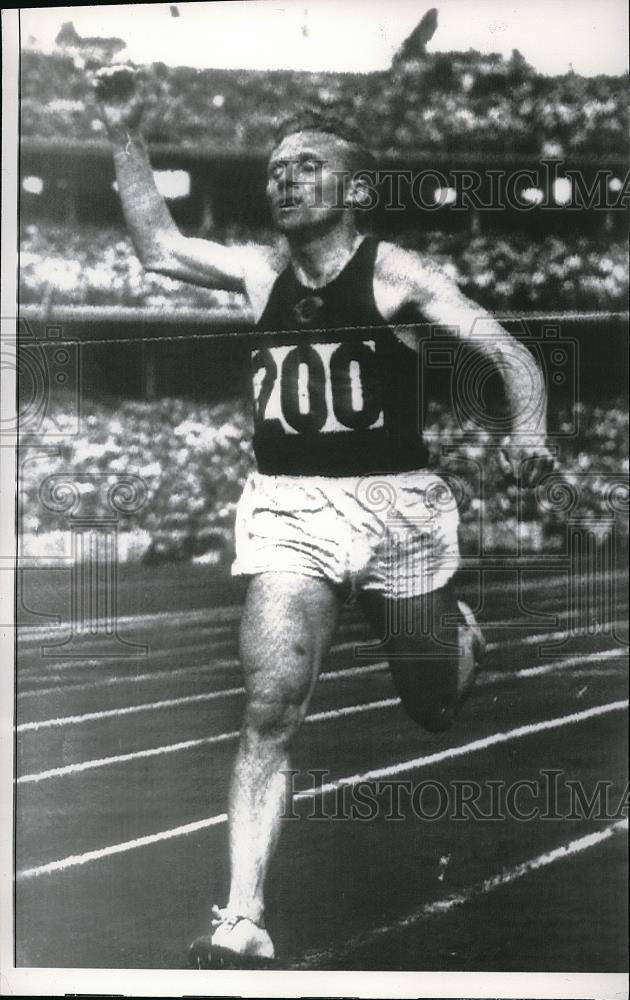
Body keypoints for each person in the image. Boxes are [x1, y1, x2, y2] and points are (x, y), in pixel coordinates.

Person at [93, 66, 553, 969]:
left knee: (432, 705)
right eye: (275, 169)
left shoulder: (399, 275)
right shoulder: (258, 273)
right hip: (288, 511)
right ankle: (244, 918)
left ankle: (455, 637)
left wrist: (529, 431)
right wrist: (122, 128)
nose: (285, 179)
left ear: (354, 188)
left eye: (307, 165)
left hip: (398, 509)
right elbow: (156, 245)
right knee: (267, 709)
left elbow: (510, 354)